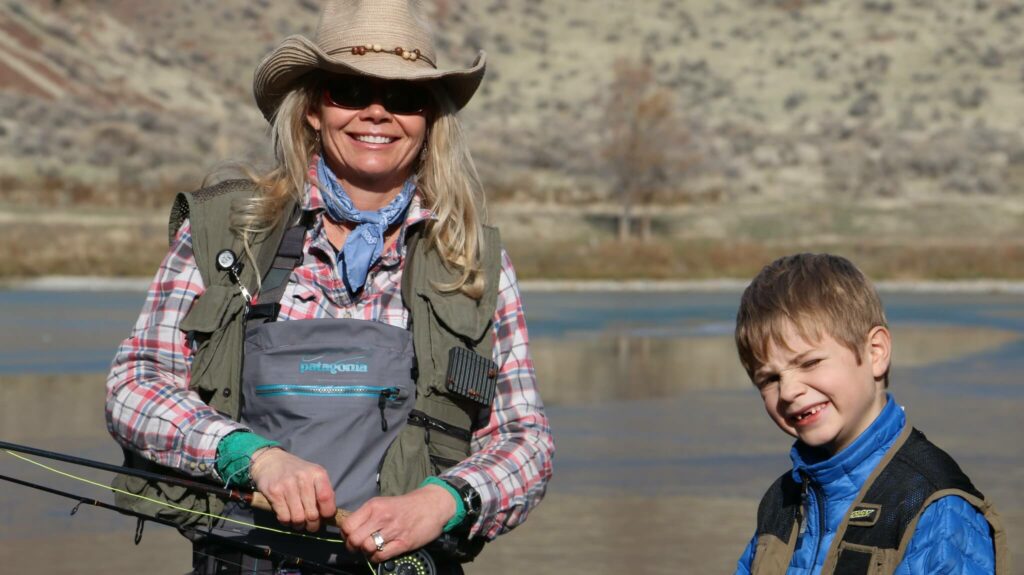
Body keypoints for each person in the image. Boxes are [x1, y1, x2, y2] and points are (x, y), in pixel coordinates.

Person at [104, 1, 554, 573]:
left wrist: (444, 500)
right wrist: (252, 457)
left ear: (429, 118)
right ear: (313, 108)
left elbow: (525, 440)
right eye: (349, 90)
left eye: (404, 98)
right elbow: (135, 385)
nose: (376, 113)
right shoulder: (228, 233)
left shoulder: (472, 261)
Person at [732, 254, 1009, 574]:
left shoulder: (932, 507)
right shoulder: (781, 504)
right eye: (770, 379)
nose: (789, 391)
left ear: (875, 353)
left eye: (809, 363)